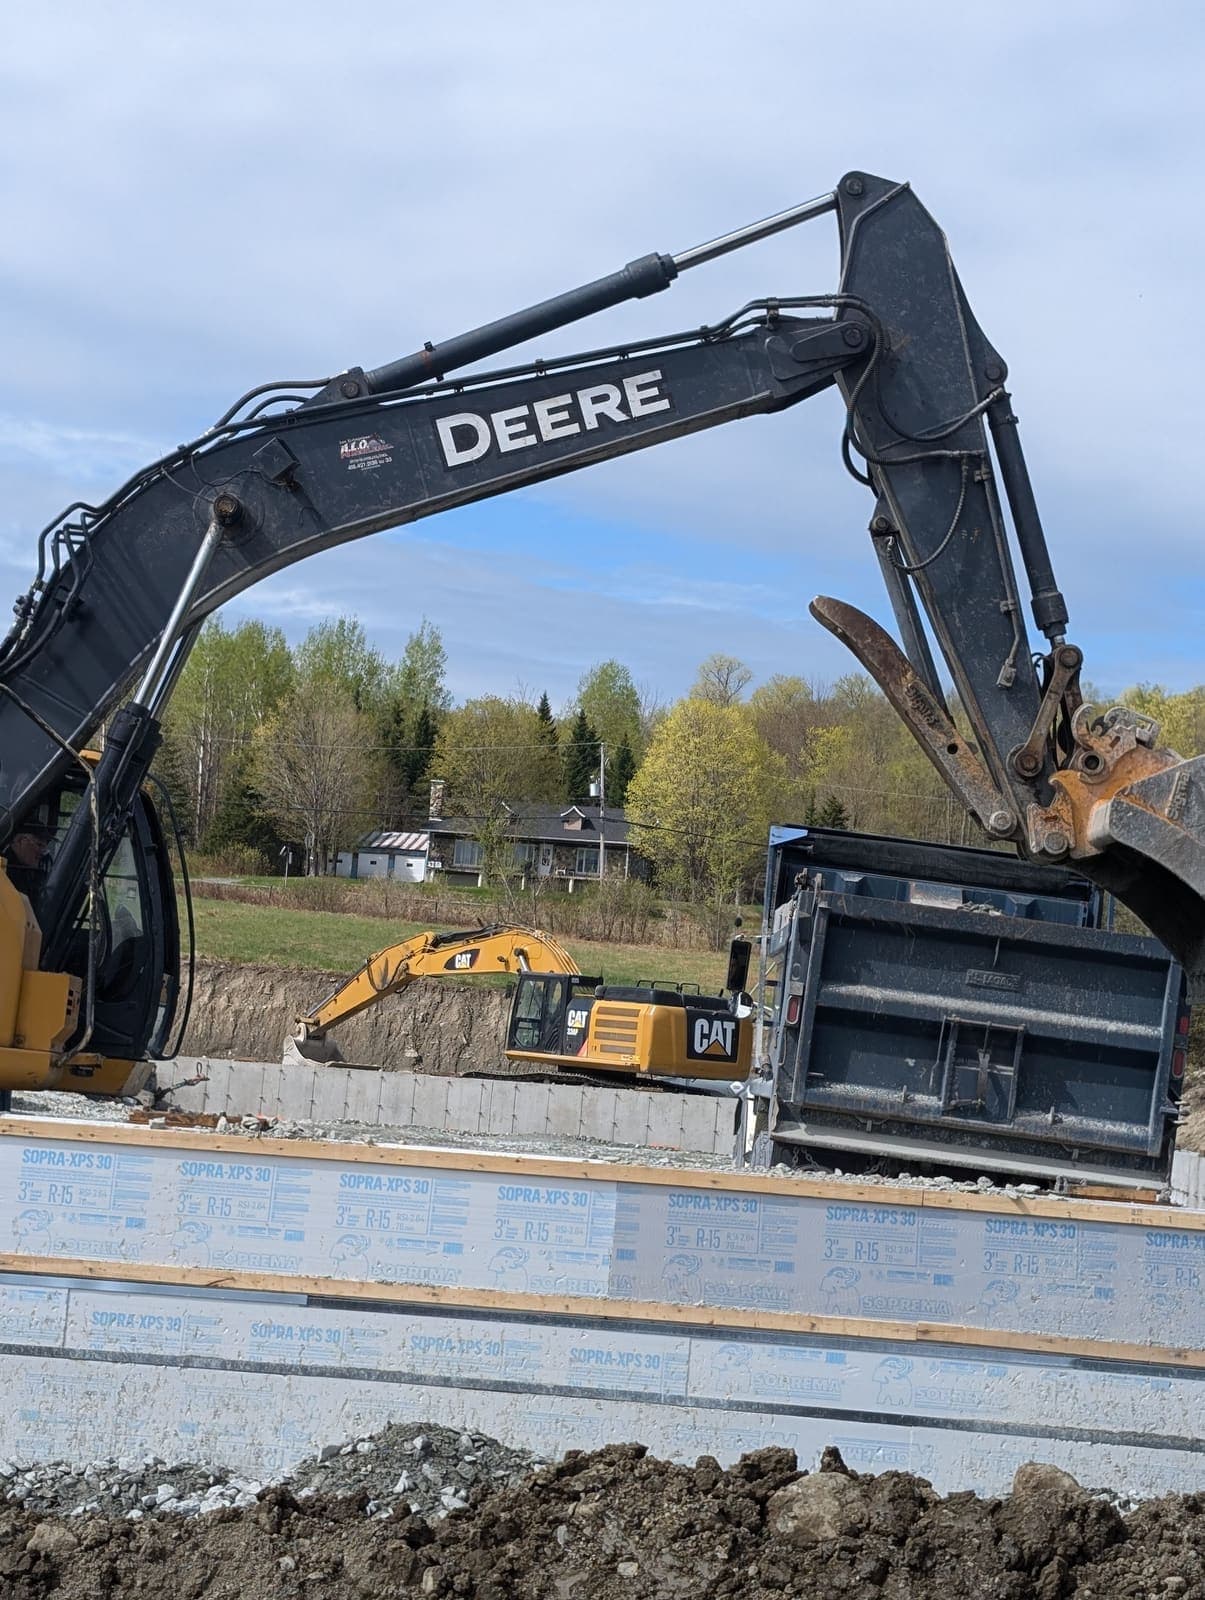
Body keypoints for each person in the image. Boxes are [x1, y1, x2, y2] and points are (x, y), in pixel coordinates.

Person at [6, 824, 53, 902]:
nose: (42, 852)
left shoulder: (32, 872)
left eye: (44, 847)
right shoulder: (5, 870)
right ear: (20, 841)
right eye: (39, 845)